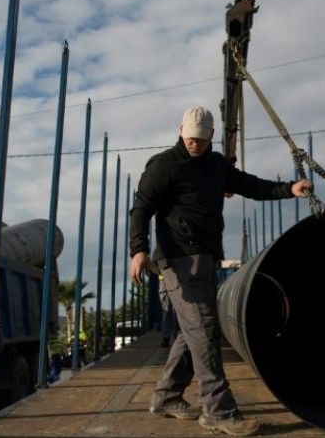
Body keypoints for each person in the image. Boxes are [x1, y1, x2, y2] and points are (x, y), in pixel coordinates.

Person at [129, 106, 312, 437]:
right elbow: (140, 208)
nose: (194, 145)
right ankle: (219, 411)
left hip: (205, 258)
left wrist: (289, 189)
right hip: (176, 260)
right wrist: (138, 250)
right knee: (205, 331)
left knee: (192, 331)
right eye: (189, 139)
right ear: (180, 131)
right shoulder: (163, 166)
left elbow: (252, 186)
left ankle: (166, 396)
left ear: (211, 136)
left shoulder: (217, 166)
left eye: (200, 139)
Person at [158, 273, 177, 347]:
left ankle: (170, 337)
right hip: (165, 283)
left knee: (170, 312)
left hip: (170, 283)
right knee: (167, 312)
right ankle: (168, 337)